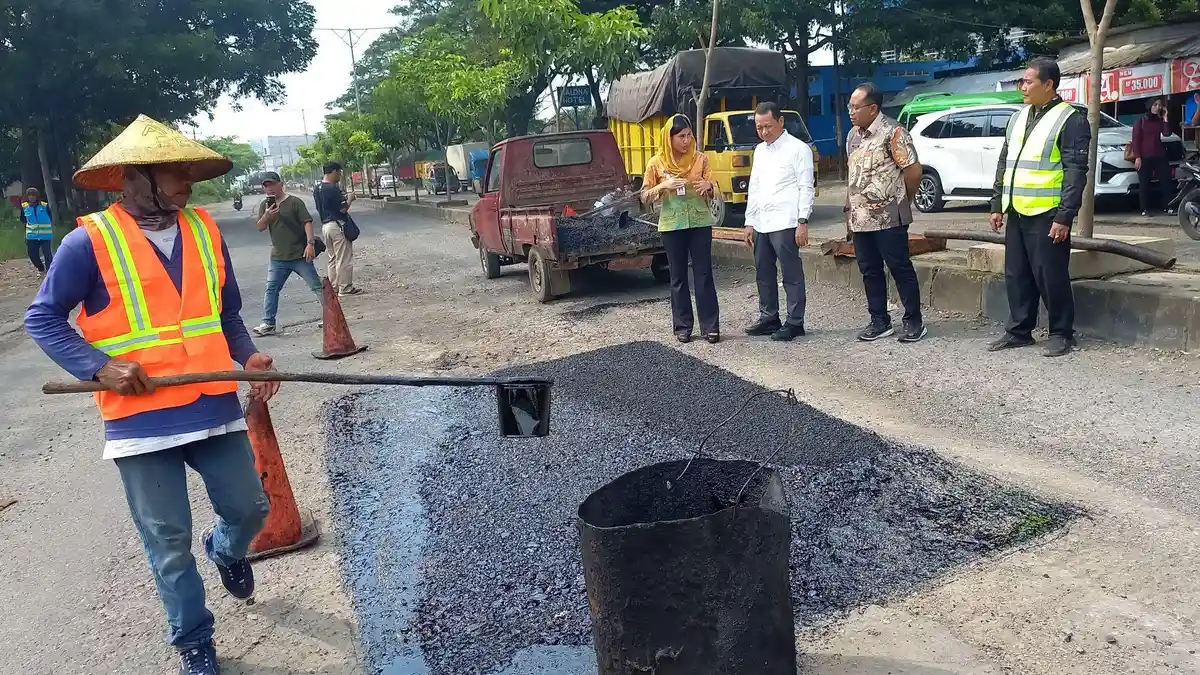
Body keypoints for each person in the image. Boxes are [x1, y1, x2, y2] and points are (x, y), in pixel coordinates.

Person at [23, 114, 278, 675]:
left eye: (187, 169)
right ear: (137, 179)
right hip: (140, 421)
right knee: (168, 541)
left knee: (249, 508)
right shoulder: (86, 242)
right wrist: (99, 366)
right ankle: (193, 642)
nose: (188, 180)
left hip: (211, 402)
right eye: (175, 170)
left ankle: (227, 550)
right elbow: (43, 318)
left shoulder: (205, 229)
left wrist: (249, 357)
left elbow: (226, 312)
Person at [988, 57, 1090, 357]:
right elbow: (1004, 163)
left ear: (1049, 85)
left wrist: (1065, 215)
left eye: (1029, 81)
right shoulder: (1018, 118)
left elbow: (1075, 172)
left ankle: (1061, 332)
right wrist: (997, 204)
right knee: (1017, 274)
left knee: (1050, 274)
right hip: (1018, 210)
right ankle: (1020, 330)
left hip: (1048, 214)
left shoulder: (1071, 119)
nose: (1023, 87)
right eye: (1022, 81)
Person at [845, 82, 927, 343]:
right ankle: (879, 320)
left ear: (873, 108)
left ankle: (913, 321)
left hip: (889, 218)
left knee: (900, 267)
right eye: (849, 106)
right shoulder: (853, 136)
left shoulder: (893, 133)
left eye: (856, 107)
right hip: (860, 219)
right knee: (869, 271)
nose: (851, 111)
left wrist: (904, 200)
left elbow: (913, 171)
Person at [640, 114, 720, 343]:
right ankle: (683, 326)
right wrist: (664, 185)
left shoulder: (700, 159)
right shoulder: (656, 163)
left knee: (704, 274)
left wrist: (709, 186)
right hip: (672, 226)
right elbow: (644, 196)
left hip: (700, 222)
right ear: (670, 137)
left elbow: (717, 187)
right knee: (678, 276)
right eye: (681, 136)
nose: (686, 141)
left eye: (689, 136)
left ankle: (710, 327)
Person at [742, 101, 815, 342]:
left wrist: (802, 220)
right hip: (762, 220)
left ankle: (795, 321)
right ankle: (769, 316)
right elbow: (755, 187)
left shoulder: (798, 149)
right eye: (759, 127)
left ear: (781, 122)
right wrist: (749, 221)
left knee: (791, 273)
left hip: (786, 220)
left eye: (768, 126)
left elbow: (806, 187)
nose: (764, 132)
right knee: (764, 272)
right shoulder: (760, 150)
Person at [252, 171, 323, 337]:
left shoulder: (294, 202)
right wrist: (267, 216)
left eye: (272, 185)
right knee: (271, 288)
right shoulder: (265, 205)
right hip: (278, 257)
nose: (269, 189)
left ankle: (331, 316)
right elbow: (260, 227)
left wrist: (310, 244)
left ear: (280, 185)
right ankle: (268, 322)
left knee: (317, 286)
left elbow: (307, 222)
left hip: (300, 255)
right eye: (266, 186)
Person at [315, 162, 363, 297]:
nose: (340, 175)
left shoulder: (317, 188)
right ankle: (345, 288)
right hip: (337, 226)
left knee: (332, 258)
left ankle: (334, 286)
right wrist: (350, 199)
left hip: (325, 226)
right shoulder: (332, 188)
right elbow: (343, 209)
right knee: (343, 258)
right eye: (339, 172)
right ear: (333, 171)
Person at [1132, 97, 1173, 217]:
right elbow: (1136, 140)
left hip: (1159, 155)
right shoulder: (1141, 121)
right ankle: (1144, 208)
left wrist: (1165, 118)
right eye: (1155, 105)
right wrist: (1137, 157)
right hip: (1145, 157)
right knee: (1144, 184)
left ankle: (1168, 206)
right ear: (1150, 106)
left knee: (1166, 181)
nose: (1158, 107)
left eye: (1159, 105)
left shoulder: (1159, 121)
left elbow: (1167, 133)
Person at [20, 187, 54, 273]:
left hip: (45, 235)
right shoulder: (24, 207)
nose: (31, 197)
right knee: (32, 255)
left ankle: (50, 272)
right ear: (27, 197)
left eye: (33, 195)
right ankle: (40, 267)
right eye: (29, 195)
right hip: (32, 235)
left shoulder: (44, 205)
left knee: (47, 255)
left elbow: (50, 217)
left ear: (37, 196)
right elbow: (23, 220)